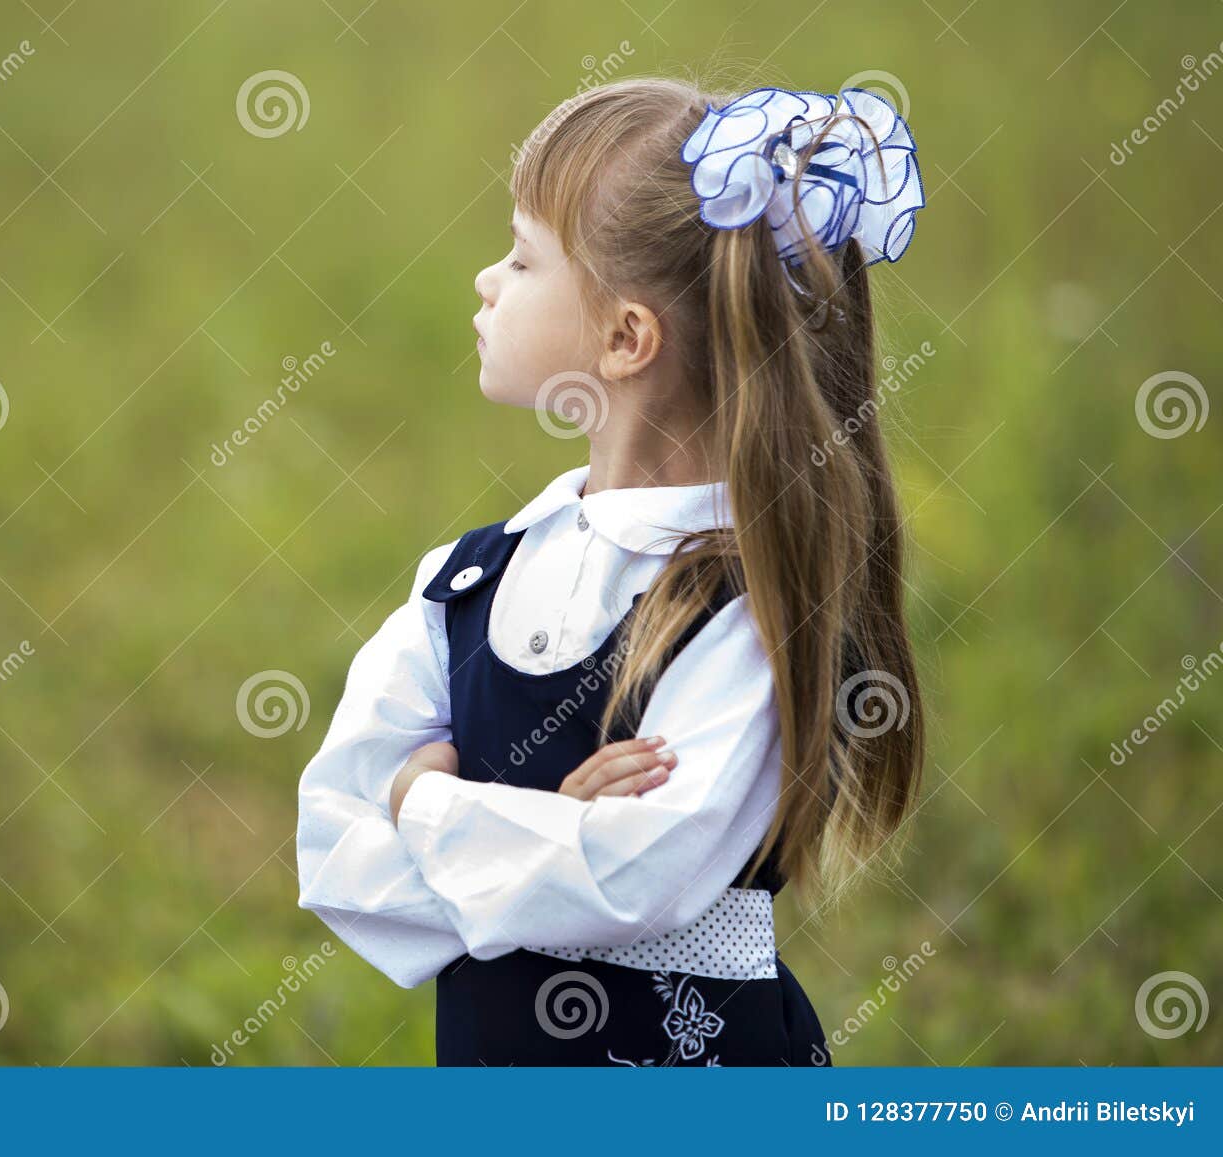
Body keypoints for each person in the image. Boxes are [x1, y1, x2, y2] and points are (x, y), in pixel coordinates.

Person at [296, 77, 927, 1066]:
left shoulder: (741, 607)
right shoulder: (467, 582)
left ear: (625, 337)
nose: (485, 281)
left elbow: (635, 877)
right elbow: (333, 840)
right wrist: (550, 838)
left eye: (520, 256)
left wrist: (425, 805)